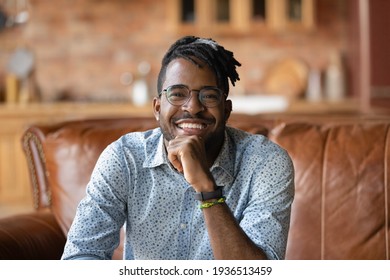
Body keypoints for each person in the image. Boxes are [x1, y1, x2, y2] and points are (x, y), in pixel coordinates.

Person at [61, 35, 294, 260]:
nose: (192, 107)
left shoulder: (266, 163)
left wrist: (207, 189)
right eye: (178, 94)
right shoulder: (124, 158)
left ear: (226, 110)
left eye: (209, 96)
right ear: (157, 108)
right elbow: (81, 254)